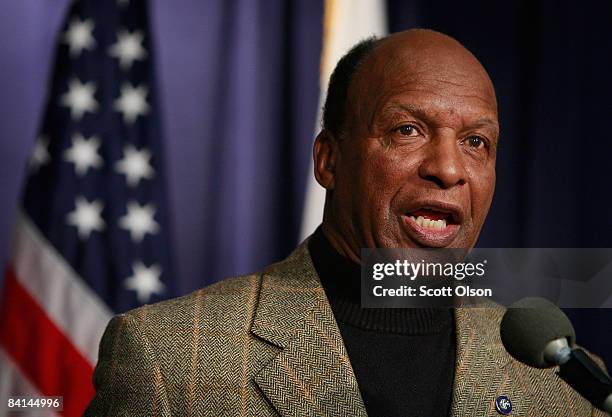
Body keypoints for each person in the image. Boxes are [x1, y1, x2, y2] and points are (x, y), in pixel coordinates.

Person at [84, 29, 605, 417]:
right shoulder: (167, 360)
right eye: (407, 130)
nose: (448, 169)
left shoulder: (563, 384)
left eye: (476, 143)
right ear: (329, 161)